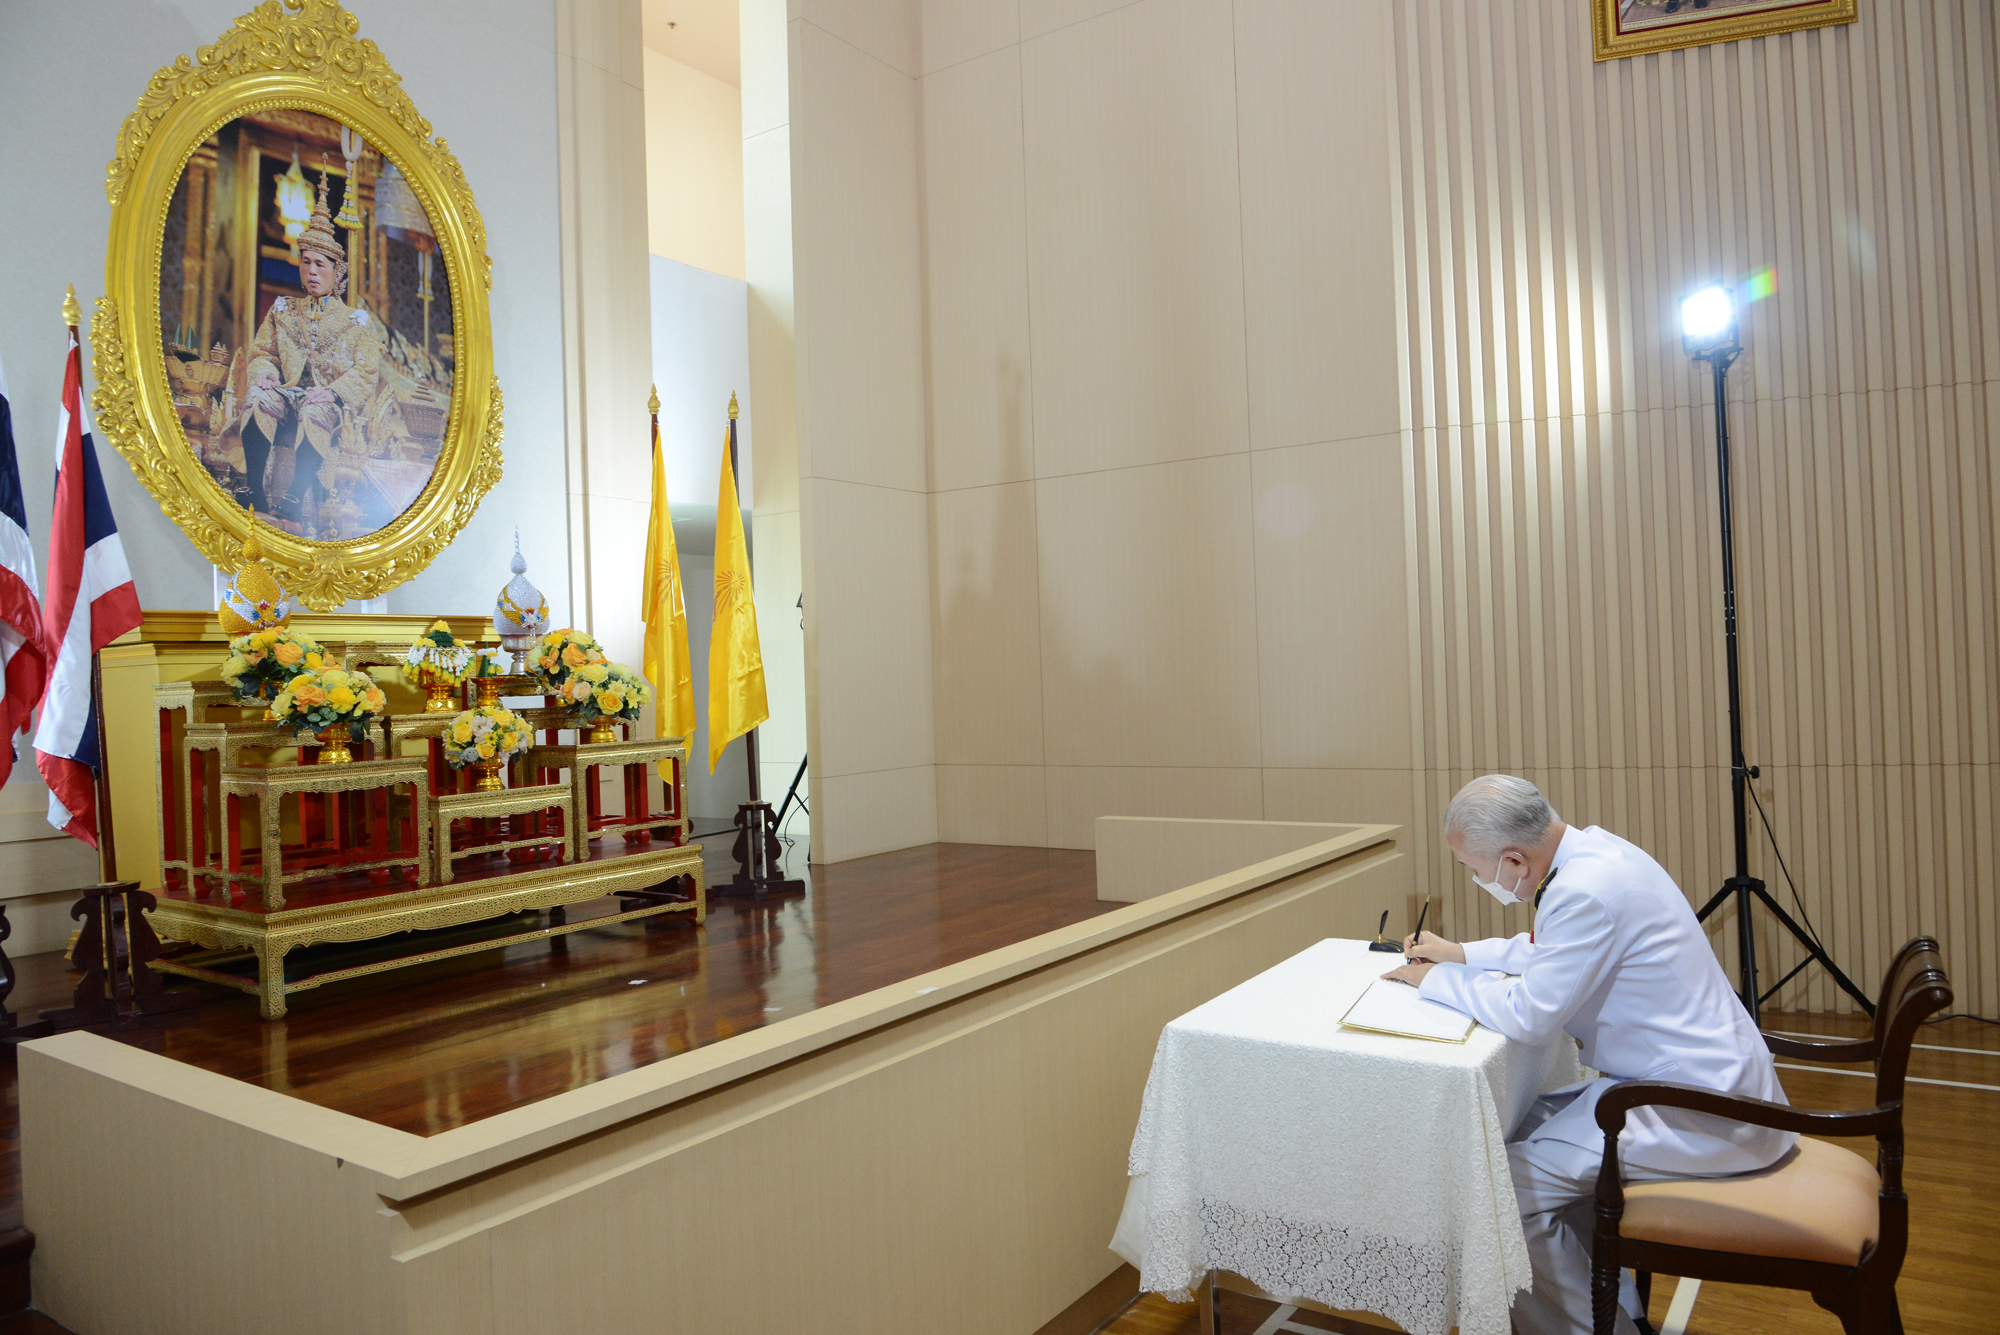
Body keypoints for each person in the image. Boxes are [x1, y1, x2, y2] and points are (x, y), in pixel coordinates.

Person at [1383, 775, 1792, 1335]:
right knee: (1514, 1126)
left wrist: (1434, 980)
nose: (1479, 881)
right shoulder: (1597, 854)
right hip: (1692, 1079)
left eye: (1474, 869)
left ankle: (1600, 1330)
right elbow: (1555, 952)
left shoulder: (1583, 890)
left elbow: (1531, 1015)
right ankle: (1617, 1312)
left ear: (1514, 860)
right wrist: (1460, 954)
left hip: (1701, 1109)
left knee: (1497, 1196)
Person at [239, 165, 381, 524]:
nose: (312, 271)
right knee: (258, 396)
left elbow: (366, 372)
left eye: (320, 264)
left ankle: (293, 495)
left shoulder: (357, 321)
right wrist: (265, 374)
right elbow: (263, 353)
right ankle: (254, 489)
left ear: (337, 272)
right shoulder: (283, 310)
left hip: (329, 403)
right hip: (287, 392)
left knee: (315, 410)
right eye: (306, 263)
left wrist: (332, 392)